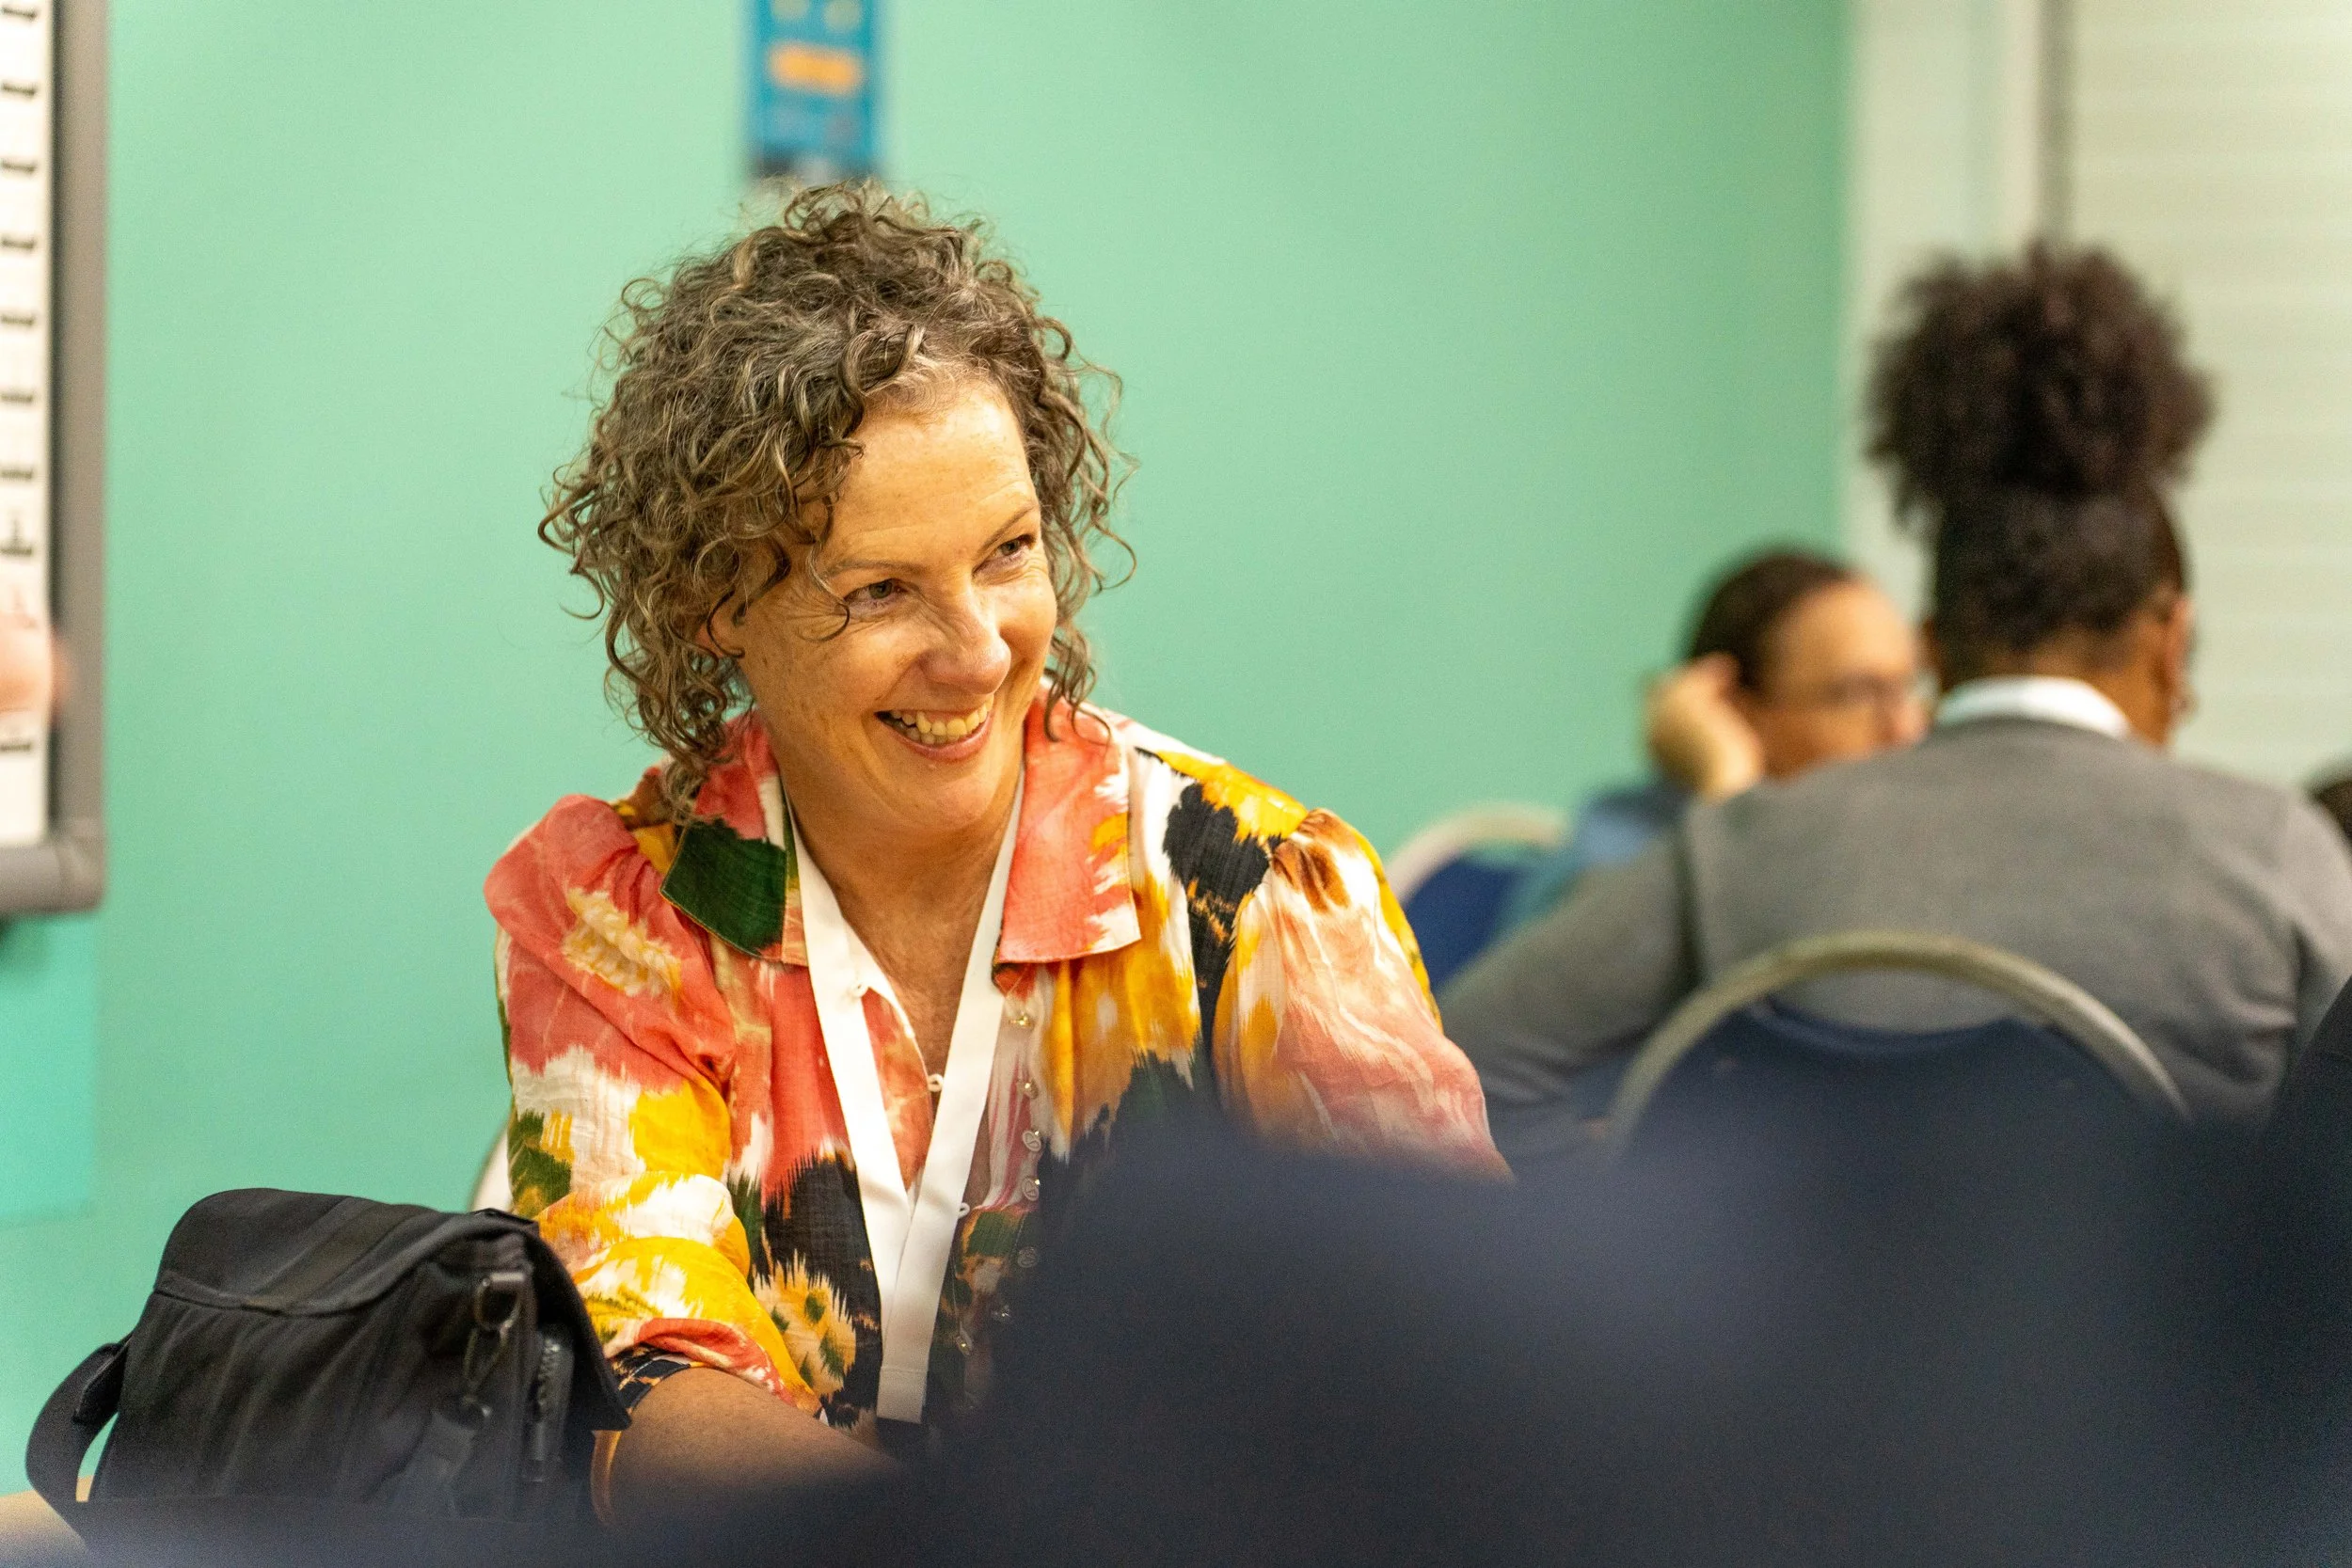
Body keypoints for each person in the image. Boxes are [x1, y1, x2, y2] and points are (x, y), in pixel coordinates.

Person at [487, 184, 1502, 1520]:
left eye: (1008, 553)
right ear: (715, 601)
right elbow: (638, 1385)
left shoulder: (1247, 893)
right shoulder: (627, 912)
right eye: (881, 589)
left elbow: (1468, 1357)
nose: (976, 651)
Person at [1443, 242, 2352, 1160]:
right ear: (2167, 637)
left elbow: (1451, 1063)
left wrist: (1658, 1221)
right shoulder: (2277, 855)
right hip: (2158, 1307)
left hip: (1788, 1305)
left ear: (1931, 641)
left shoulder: (1746, 844)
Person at [1497, 549, 1925, 935]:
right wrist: (1729, 791)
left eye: (1908, 687)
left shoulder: (1898, 839)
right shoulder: (1617, 861)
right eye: (1858, 694)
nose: (1906, 730)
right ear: (1733, 708)